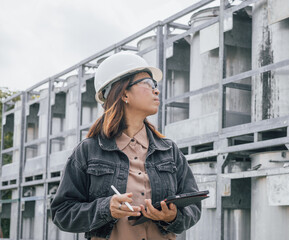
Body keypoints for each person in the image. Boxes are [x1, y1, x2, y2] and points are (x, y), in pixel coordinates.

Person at [50, 52, 201, 239]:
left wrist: (173, 216)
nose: (156, 90)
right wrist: (106, 208)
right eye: (148, 83)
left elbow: (193, 208)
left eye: (156, 85)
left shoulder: (169, 151)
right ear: (124, 94)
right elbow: (61, 213)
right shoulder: (88, 151)